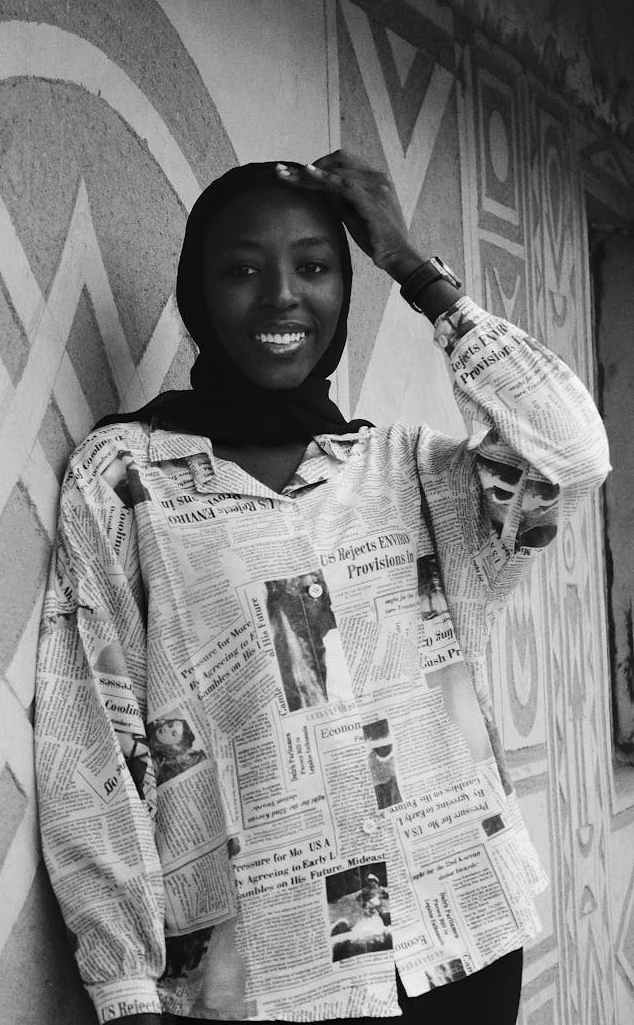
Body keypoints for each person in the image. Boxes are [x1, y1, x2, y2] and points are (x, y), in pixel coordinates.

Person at [35, 151, 609, 1025]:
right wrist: (124, 990)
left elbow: (573, 451)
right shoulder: (127, 479)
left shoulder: (413, 475)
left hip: (451, 949)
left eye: (314, 266)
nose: (280, 297)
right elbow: (91, 749)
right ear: (196, 290)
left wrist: (417, 272)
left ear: (347, 288)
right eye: (241, 270)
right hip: (259, 984)